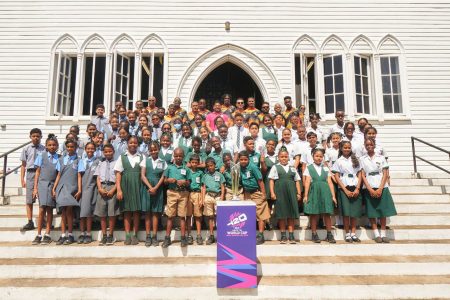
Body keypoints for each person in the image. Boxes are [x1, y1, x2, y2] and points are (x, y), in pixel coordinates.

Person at [360, 138, 397, 243]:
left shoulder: (381, 158)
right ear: (365, 146)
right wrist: (369, 188)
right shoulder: (362, 159)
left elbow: (385, 173)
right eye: (367, 145)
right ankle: (376, 234)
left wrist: (380, 188)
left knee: (383, 211)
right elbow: (362, 175)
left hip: (382, 186)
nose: (369, 146)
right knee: (372, 211)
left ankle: (383, 233)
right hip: (369, 186)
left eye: (371, 144)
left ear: (374, 145)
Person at [52, 139, 84, 245]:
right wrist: (54, 188)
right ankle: (62, 235)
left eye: (72, 147)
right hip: (61, 187)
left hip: (72, 188)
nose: (70, 149)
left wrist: (79, 189)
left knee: (69, 212)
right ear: (66, 147)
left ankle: (70, 234)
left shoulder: (79, 160)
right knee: (63, 212)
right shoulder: (61, 160)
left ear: (75, 148)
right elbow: (58, 175)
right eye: (68, 147)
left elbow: (79, 175)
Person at [303, 147, 337, 243]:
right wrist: (305, 195)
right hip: (314, 192)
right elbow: (307, 182)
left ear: (323, 157)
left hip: (325, 192)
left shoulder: (326, 168)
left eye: (320, 156)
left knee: (327, 213)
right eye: (316, 156)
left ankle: (329, 234)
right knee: (314, 214)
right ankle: (314, 234)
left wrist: (333, 196)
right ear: (313, 157)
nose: (318, 158)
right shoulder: (309, 168)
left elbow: (330, 182)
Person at [269, 147, 302, 244]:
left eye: (285, 157)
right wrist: (272, 193)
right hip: (280, 192)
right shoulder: (275, 167)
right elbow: (271, 180)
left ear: (288, 158)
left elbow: (297, 181)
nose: (284, 158)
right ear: (278, 158)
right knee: (282, 215)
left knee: (291, 215)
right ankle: (283, 235)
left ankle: (291, 236)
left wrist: (299, 193)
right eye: (281, 157)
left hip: (291, 193)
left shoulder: (292, 168)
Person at [332, 140, 363, 243]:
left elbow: (360, 174)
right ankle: (347, 234)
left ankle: (353, 233)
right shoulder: (338, 161)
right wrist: (344, 190)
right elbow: (336, 176)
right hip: (344, 187)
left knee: (353, 211)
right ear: (341, 148)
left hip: (354, 185)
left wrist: (358, 188)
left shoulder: (356, 160)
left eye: (348, 147)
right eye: (345, 147)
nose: (347, 149)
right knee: (346, 212)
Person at [115, 136, 143, 245]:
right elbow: (118, 174)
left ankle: (135, 235)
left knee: (136, 211)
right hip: (125, 186)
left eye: (135, 143)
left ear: (138, 144)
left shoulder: (142, 157)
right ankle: (127, 235)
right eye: (131, 143)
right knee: (126, 211)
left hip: (138, 186)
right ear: (127, 144)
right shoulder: (122, 157)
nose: (133, 144)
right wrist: (119, 190)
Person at [31, 134, 58, 245]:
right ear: (46, 146)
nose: (52, 147)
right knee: (42, 209)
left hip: (52, 185)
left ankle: (47, 234)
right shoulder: (41, 156)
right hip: (42, 185)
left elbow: (58, 174)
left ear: (57, 146)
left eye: (54, 145)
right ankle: (38, 234)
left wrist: (55, 188)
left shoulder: (59, 158)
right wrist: (35, 188)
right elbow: (37, 172)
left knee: (50, 209)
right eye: (49, 145)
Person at [238, 151, 269, 245]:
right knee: (249, 215)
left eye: (245, 159)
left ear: (248, 159)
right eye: (241, 159)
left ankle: (261, 235)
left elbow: (260, 181)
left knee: (260, 215)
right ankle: (250, 234)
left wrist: (263, 194)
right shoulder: (239, 168)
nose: (243, 161)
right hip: (246, 194)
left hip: (256, 193)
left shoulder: (253, 167)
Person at [140, 141, 167, 247]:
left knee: (155, 213)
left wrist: (155, 188)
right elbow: (142, 175)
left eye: (155, 149)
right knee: (147, 213)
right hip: (147, 188)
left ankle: (154, 236)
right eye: (151, 150)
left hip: (158, 189)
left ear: (158, 149)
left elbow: (163, 177)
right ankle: (148, 236)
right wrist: (150, 187)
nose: (153, 151)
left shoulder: (163, 162)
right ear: (149, 151)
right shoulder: (145, 161)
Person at [163, 148, 191, 248]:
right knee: (170, 216)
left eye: (180, 156)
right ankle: (167, 238)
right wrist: (169, 180)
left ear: (183, 157)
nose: (178, 158)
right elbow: (165, 181)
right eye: (176, 156)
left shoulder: (186, 169)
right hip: (172, 193)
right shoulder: (169, 168)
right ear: (173, 156)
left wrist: (184, 182)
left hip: (183, 194)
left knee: (182, 216)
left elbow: (189, 182)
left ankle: (183, 238)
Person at [20, 128, 45, 232]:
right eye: (34, 136)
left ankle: (43, 220)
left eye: (38, 136)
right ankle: (30, 221)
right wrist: (22, 178)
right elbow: (23, 165)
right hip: (30, 173)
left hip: (42, 173)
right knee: (29, 200)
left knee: (42, 198)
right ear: (30, 137)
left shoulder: (44, 149)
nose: (36, 138)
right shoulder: (26, 149)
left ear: (41, 137)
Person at [94, 144, 119, 246]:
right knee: (102, 214)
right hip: (103, 188)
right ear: (103, 153)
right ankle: (104, 235)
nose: (108, 153)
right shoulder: (101, 163)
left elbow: (118, 178)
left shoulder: (117, 163)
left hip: (113, 187)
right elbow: (98, 177)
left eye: (110, 151)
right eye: (106, 152)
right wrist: (100, 188)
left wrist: (114, 190)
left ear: (113, 151)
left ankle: (111, 235)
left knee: (112, 213)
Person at [77, 142, 100, 244]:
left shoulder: (98, 161)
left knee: (89, 212)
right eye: (88, 149)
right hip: (83, 188)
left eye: (92, 148)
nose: (90, 150)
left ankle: (89, 233)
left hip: (92, 188)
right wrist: (79, 189)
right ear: (85, 150)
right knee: (82, 213)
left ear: (95, 150)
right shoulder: (82, 161)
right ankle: (82, 233)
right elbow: (79, 176)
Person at [201, 157, 225, 245]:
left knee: (219, 216)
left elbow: (222, 187)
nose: (210, 167)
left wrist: (222, 197)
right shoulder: (205, 176)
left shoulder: (219, 175)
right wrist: (203, 199)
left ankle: (221, 235)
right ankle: (211, 235)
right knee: (210, 216)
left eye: (211, 165)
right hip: (209, 196)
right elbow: (203, 188)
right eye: (208, 166)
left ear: (215, 165)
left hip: (218, 197)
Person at [187, 154, 204, 245]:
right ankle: (189, 235)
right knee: (189, 215)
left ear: (198, 163)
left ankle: (198, 235)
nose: (194, 164)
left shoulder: (200, 173)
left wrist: (201, 198)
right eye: (192, 162)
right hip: (188, 194)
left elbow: (202, 186)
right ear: (190, 163)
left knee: (198, 216)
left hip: (197, 194)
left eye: (196, 163)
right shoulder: (187, 171)